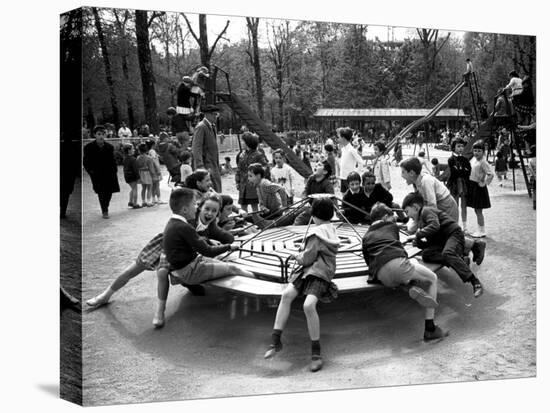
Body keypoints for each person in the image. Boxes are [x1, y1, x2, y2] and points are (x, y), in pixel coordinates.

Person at [264, 197, 339, 372]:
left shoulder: (316, 234)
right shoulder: (330, 229)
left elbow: (307, 258)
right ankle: (275, 340)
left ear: (313, 216)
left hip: (318, 274)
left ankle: (316, 351)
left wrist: (297, 256)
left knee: (308, 305)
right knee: (287, 295)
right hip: (311, 272)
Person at [362, 202, 446, 341]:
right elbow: (399, 249)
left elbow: (368, 261)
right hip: (398, 264)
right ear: (385, 217)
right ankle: (430, 328)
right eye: (392, 217)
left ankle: (408, 286)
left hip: (382, 275)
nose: (394, 220)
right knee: (432, 278)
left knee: (401, 272)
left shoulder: (366, 236)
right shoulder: (392, 227)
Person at [163, 187, 252, 291]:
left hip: (190, 263)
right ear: (185, 209)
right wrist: (228, 247)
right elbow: (207, 250)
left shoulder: (173, 223)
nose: (195, 207)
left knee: (228, 264)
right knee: (234, 268)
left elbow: (201, 241)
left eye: (214, 211)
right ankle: (259, 286)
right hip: (189, 271)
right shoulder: (185, 226)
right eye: (194, 204)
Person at [402, 192, 484, 298]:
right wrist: (420, 243)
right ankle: (461, 259)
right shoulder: (421, 221)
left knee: (448, 253)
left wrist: (417, 235)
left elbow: (434, 226)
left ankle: (475, 282)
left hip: (453, 234)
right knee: (426, 254)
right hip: (443, 240)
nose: (407, 215)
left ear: (416, 207)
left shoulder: (426, 211)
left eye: (407, 211)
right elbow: (432, 241)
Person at [400, 157, 458, 222]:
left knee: (448, 229)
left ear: (411, 173)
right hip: (439, 207)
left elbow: (432, 205)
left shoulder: (426, 181)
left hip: (446, 206)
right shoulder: (416, 182)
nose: (401, 175)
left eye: (403, 172)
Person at [83, 125, 120, 219]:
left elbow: (112, 160)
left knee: (109, 192)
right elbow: (86, 162)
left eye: (103, 134)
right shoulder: (88, 147)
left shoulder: (109, 147)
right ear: (95, 135)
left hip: (109, 173)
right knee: (101, 192)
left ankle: (105, 206)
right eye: (99, 134)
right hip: (97, 174)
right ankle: (105, 210)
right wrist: (91, 172)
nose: (101, 136)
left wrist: (115, 171)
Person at [192, 105, 223, 192]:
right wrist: (200, 166)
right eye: (214, 114)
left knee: (216, 190)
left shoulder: (212, 126)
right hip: (206, 165)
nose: (216, 116)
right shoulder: (201, 127)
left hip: (213, 164)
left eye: (217, 114)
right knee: (209, 192)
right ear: (207, 114)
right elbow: (196, 148)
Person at [235, 132, 269, 212]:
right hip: (243, 185)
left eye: (242, 141)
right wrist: (237, 181)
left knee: (254, 206)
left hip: (253, 186)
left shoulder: (258, 155)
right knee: (243, 206)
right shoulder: (241, 155)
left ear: (248, 143)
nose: (241, 143)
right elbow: (238, 169)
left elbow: (266, 167)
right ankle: (245, 220)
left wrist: (258, 175)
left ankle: (256, 220)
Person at [247, 163, 288, 227]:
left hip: (275, 212)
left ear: (258, 176)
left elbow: (281, 189)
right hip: (269, 213)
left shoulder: (264, 184)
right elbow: (261, 203)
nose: (248, 179)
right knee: (249, 217)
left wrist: (284, 207)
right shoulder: (258, 186)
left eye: (250, 176)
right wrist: (263, 208)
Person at [467, 140, 494, 238]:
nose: (476, 153)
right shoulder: (473, 159)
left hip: (479, 188)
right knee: (476, 210)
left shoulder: (483, 162)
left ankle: (482, 231)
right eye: (475, 150)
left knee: (479, 210)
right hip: (473, 186)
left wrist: (484, 183)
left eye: (479, 151)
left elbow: (490, 174)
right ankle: (479, 229)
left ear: (483, 151)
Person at [293, 161, 334, 225]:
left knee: (300, 219)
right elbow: (306, 191)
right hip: (310, 206)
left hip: (320, 210)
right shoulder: (311, 178)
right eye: (316, 164)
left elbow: (332, 198)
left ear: (325, 172)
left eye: (319, 165)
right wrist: (304, 199)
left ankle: (295, 229)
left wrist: (337, 211)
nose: (316, 166)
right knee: (294, 214)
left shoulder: (327, 184)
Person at [446, 138, 471, 230]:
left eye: (462, 146)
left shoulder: (465, 159)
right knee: (454, 205)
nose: (461, 148)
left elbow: (468, 171)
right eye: (458, 146)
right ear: (453, 147)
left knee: (464, 205)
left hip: (464, 183)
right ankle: (455, 225)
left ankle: (465, 226)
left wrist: (461, 170)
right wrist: (462, 170)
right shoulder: (451, 159)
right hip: (454, 183)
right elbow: (454, 172)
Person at [338, 127, 364, 193]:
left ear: (343, 138)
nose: (338, 139)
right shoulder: (343, 149)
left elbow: (361, 162)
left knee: (351, 197)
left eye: (339, 137)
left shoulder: (351, 150)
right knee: (343, 196)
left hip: (349, 179)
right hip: (342, 177)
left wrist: (356, 173)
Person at [174, 76, 194, 148]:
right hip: (184, 107)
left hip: (181, 107)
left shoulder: (181, 87)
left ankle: (190, 128)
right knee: (187, 118)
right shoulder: (185, 89)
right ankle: (190, 128)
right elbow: (190, 95)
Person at [136, 143, 157, 207]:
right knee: (149, 188)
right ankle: (148, 201)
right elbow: (151, 168)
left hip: (141, 173)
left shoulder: (138, 157)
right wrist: (153, 176)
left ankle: (143, 201)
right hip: (148, 173)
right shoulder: (149, 158)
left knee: (143, 188)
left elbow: (137, 166)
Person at [146, 139, 165, 204]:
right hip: (155, 170)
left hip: (151, 170)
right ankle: (159, 199)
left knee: (153, 185)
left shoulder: (149, 151)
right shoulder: (153, 151)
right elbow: (155, 161)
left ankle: (153, 199)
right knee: (157, 185)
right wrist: (158, 170)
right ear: (153, 145)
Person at [122, 144, 141, 209]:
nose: (134, 150)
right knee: (135, 189)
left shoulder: (125, 158)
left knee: (132, 189)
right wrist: (138, 177)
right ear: (129, 150)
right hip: (132, 176)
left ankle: (130, 202)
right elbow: (136, 169)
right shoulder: (133, 159)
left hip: (127, 176)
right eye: (132, 149)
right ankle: (135, 203)